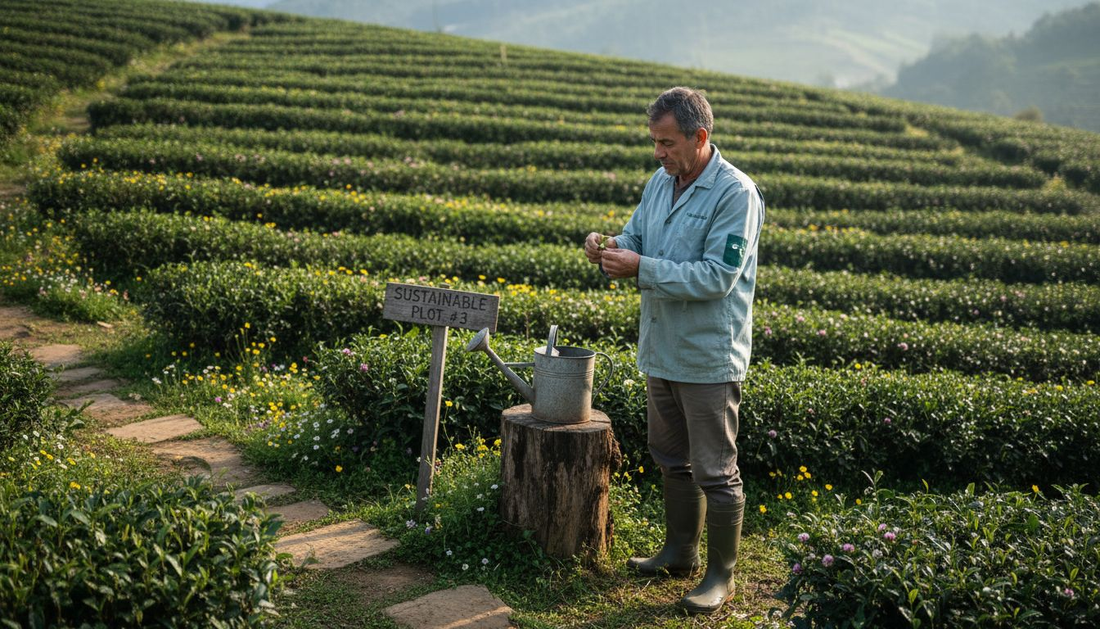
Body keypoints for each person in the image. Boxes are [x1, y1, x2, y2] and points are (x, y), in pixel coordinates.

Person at [584, 86, 764, 615]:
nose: (658, 153)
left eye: (666, 143)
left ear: (699, 136)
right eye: (654, 142)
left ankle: (720, 576)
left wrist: (640, 268)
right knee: (672, 460)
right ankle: (681, 553)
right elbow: (637, 236)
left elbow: (718, 277)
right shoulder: (659, 185)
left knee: (715, 470)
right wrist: (611, 246)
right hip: (661, 348)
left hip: (708, 356)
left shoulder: (736, 194)